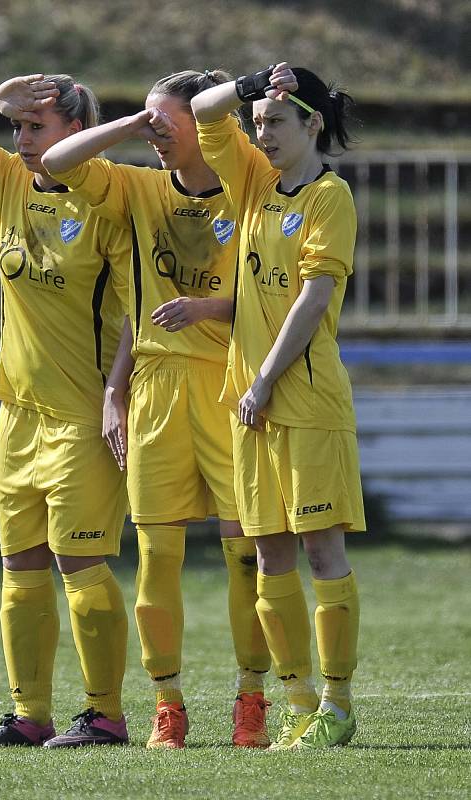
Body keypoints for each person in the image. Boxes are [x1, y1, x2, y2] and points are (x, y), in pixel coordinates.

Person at [42, 70, 272, 750]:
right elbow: (57, 162)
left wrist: (211, 308)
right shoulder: (137, 187)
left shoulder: (249, 182)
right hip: (158, 392)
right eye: (149, 122)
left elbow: (278, 298)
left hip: (233, 384)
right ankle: (166, 706)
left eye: (167, 122)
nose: (157, 135)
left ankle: (250, 699)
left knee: (246, 556)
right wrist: (130, 126)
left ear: (204, 127)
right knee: (158, 557)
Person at [0, 74, 132, 749]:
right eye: (17, 128)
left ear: (74, 131)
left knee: (82, 566)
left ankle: (105, 716)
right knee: (20, 570)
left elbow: (135, 310)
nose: (21, 140)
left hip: (82, 415)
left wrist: (116, 395)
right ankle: (29, 715)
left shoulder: (108, 196)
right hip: (18, 412)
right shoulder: (9, 180)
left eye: (35, 128)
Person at [191, 62, 365, 750]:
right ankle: (296, 702)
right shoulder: (253, 183)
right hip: (251, 404)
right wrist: (251, 83)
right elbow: (205, 114)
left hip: (305, 400)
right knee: (267, 557)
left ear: (311, 123)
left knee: (321, 551)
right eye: (257, 122)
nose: (259, 133)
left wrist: (263, 379)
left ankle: (337, 704)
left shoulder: (330, 196)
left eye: (273, 121)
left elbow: (313, 297)